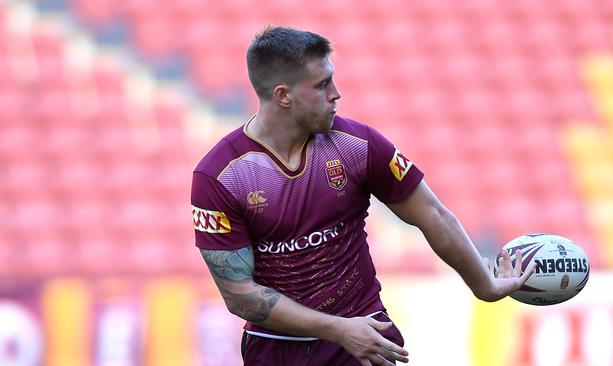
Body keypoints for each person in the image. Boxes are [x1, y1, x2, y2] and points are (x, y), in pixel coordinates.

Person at [191, 26, 535, 366]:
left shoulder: (358, 145)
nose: (336, 93)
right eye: (322, 84)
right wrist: (339, 330)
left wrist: (484, 285)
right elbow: (239, 295)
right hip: (277, 349)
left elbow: (432, 213)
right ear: (284, 96)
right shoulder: (220, 176)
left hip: (365, 336)